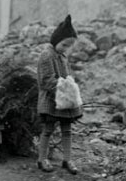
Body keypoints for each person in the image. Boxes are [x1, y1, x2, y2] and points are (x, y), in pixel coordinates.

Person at [36, 14, 83, 174]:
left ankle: (67, 159)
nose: (65, 49)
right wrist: (65, 88)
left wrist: (70, 85)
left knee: (67, 129)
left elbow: (67, 75)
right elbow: (46, 80)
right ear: (56, 40)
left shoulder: (62, 56)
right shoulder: (46, 55)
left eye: (68, 46)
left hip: (64, 100)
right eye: (64, 45)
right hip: (51, 99)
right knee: (48, 129)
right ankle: (42, 159)